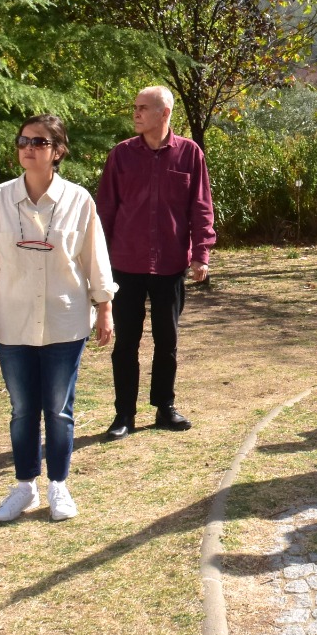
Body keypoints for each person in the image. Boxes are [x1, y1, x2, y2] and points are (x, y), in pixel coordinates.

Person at [0, 115, 116, 522]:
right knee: (22, 408)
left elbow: (94, 257)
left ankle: (58, 486)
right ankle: (25, 486)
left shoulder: (79, 200)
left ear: (58, 151)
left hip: (64, 321)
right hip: (13, 322)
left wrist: (105, 307)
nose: (28, 147)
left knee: (59, 408)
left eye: (39, 141)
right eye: (22, 140)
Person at [95, 85, 215, 440]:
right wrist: (98, 261)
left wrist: (201, 255)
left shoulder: (190, 154)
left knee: (168, 341)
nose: (135, 113)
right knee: (125, 344)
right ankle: (123, 416)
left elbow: (201, 207)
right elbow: (105, 212)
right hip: (125, 265)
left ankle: (165, 407)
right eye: (134, 107)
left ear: (164, 113)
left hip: (170, 265)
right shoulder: (121, 155)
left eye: (143, 108)